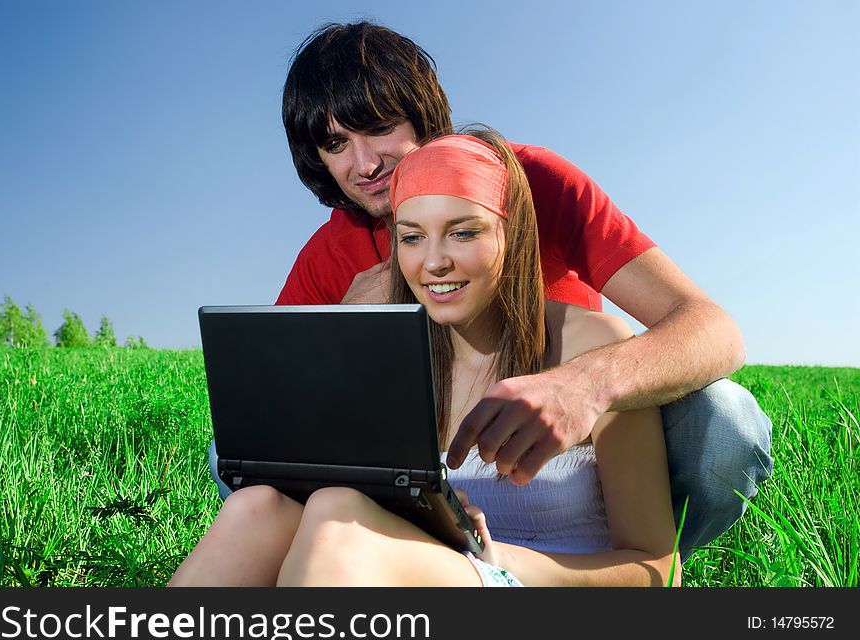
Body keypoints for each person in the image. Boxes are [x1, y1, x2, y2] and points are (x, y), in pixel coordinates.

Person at [212, 21, 773, 558]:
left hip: (582, 460)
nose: (365, 164)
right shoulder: (331, 252)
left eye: (380, 126)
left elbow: (715, 331)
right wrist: (345, 331)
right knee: (229, 455)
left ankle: (621, 567)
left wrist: (584, 386)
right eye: (335, 144)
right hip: (438, 486)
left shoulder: (533, 182)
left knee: (724, 424)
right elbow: (274, 418)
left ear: (424, 116)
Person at [172, 131, 680, 586]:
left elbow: (658, 570)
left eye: (463, 232)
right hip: (419, 571)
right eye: (412, 237)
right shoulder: (390, 356)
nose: (433, 261)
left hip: (529, 584)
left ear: (513, 232)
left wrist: (496, 559)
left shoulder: (593, 345)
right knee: (258, 507)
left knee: (337, 528)